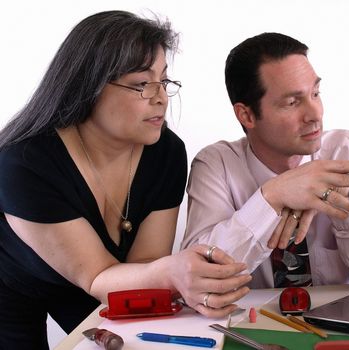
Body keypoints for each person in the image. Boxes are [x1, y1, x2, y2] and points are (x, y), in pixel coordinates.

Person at [0, 11, 251, 349]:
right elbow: (96, 275)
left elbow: (145, 266)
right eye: (141, 84)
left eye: (164, 80)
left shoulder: (165, 152)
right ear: (89, 86)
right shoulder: (24, 164)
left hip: (107, 278)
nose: (160, 97)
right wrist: (173, 272)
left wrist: (178, 274)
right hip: (14, 281)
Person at [181, 32, 349, 289]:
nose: (315, 114)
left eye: (316, 93)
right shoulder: (217, 166)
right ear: (246, 115)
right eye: (293, 102)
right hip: (253, 325)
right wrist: (271, 198)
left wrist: (345, 200)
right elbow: (201, 278)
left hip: (344, 323)